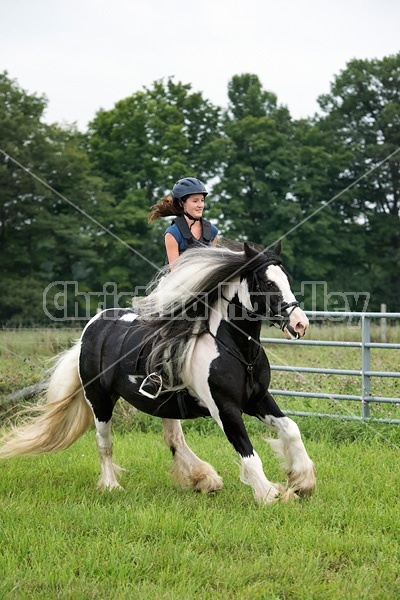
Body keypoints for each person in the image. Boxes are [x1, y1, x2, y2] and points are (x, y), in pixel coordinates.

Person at [148, 177, 218, 267]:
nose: (200, 205)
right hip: (176, 279)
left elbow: (211, 266)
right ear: (182, 203)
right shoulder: (173, 233)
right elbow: (175, 272)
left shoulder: (212, 232)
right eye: (195, 201)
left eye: (202, 200)